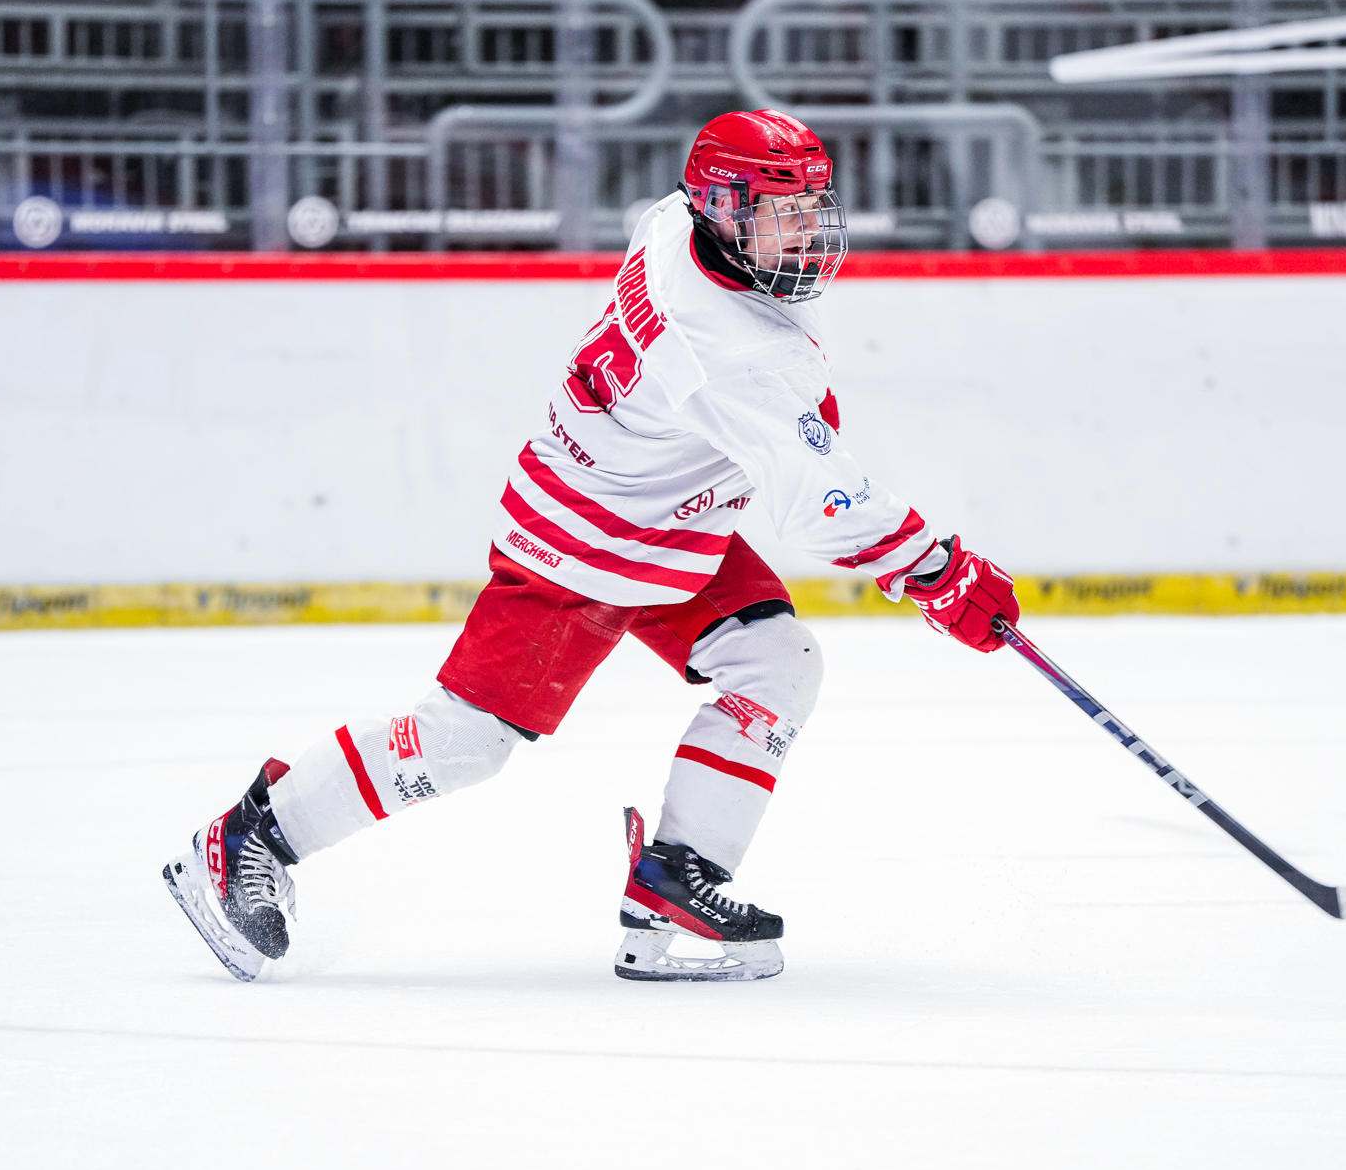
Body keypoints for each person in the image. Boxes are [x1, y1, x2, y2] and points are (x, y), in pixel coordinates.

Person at [163, 109, 1021, 983]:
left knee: (777, 660)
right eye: (784, 210)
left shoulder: (674, 222)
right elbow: (820, 502)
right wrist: (940, 571)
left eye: (812, 206)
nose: (808, 230)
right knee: (465, 741)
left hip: (666, 518)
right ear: (724, 207)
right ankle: (251, 833)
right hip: (585, 541)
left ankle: (676, 875)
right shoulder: (724, 346)